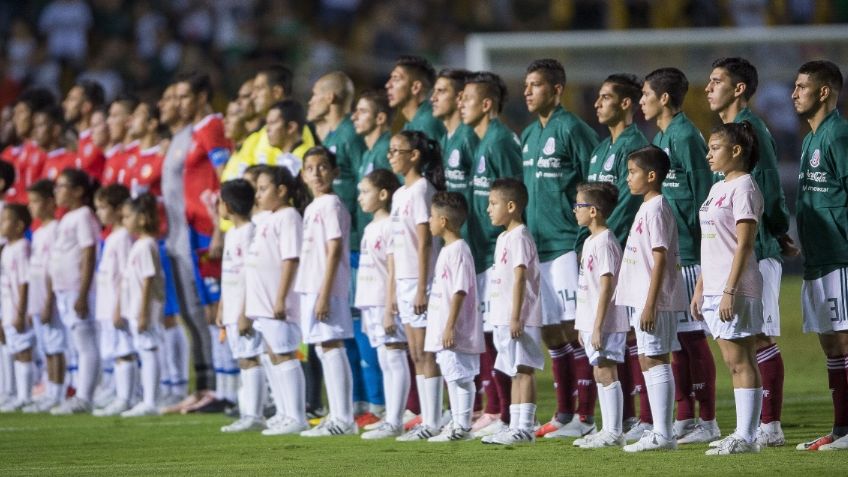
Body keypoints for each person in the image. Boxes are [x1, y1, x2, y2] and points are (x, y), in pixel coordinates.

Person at [704, 57, 796, 447]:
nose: (708, 87)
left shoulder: (752, 130)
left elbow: (769, 185)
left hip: (753, 250)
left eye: (716, 81)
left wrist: (776, 229)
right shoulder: (726, 137)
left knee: (758, 337)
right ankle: (758, 425)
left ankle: (768, 425)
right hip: (730, 255)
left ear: (739, 88)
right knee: (746, 339)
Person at [520, 59, 601, 439]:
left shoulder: (572, 129)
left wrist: (592, 234)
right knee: (552, 331)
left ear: (556, 89)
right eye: (526, 85)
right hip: (538, 247)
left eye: (535, 85)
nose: (527, 91)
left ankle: (585, 417)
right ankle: (565, 413)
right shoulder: (528, 135)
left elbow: (596, 180)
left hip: (568, 244)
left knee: (574, 329)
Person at [639, 67, 715, 443]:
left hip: (691, 253)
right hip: (672, 254)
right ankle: (686, 416)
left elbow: (706, 197)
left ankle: (709, 420)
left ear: (664, 98)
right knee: (678, 339)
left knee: (693, 337)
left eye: (646, 94)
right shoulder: (663, 136)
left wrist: (706, 257)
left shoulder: (685, 136)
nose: (641, 101)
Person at [308, 71, 380, 425]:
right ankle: (353, 402)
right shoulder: (335, 136)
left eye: (315, 95)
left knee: (356, 325)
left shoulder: (349, 135)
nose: (310, 101)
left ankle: (372, 402)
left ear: (332, 98)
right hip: (343, 243)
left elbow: (357, 187)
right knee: (345, 328)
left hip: (350, 243)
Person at [690, 122, 764, 455]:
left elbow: (744, 245)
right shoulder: (718, 187)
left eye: (714, 148)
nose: (708, 154)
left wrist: (730, 291)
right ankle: (743, 433)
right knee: (734, 361)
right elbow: (712, 243)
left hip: (734, 288)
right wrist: (700, 288)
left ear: (736, 151)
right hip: (715, 287)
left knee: (740, 360)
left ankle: (747, 436)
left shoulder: (744, 187)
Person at [584, 73, 650, 433]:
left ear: (626, 103)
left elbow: (625, 204)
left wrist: (607, 238)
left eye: (605, 97)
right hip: (605, 251)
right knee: (616, 336)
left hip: (623, 251)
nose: (597, 103)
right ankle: (625, 417)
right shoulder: (600, 148)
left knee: (632, 335)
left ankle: (646, 417)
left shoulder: (634, 145)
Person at [460, 71, 522, 438]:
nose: (460, 104)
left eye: (467, 98)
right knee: (487, 333)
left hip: (497, 251)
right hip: (482, 250)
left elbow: (516, 197)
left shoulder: (499, 141)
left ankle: (508, 412)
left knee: (501, 335)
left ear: (486, 104)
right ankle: (496, 409)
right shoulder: (481, 142)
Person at [174, 71, 238, 413]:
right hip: (195, 228)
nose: (179, 103)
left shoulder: (213, 127)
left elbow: (223, 175)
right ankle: (221, 388)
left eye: (185, 97)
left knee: (219, 310)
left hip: (209, 229)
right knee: (212, 310)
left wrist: (219, 227)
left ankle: (230, 389)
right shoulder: (195, 131)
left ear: (200, 98)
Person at [793, 60, 848, 452]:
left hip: (841, 256)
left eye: (801, 87)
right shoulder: (812, 138)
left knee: (844, 342)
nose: (794, 93)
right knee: (831, 345)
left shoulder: (838, 136)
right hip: (818, 260)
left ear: (824, 91)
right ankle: (842, 429)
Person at [616, 146, 686, 452]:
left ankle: (664, 434)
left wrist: (650, 303)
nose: (628, 177)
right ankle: (659, 430)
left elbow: (660, 259)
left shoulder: (657, 207)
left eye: (633, 172)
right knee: (647, 358)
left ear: (652, 175)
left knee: (656, 358)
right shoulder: (646, 207)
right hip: (643, 298)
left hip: (653, 301)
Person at [387, 131, 444, 441]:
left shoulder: (422, 190)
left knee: (425, 352)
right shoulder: (399, 194)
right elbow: (398, 245)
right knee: (414, 352)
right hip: (405, 280)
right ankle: (426, 418)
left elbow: (424, 242)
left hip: (421, 280)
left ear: (414, 156)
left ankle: (433, 421)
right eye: (390, 151)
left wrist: (423, 286)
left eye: (398, 150)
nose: (392, 155)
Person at [296, 147, 357, 437]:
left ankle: (343, 418)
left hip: (326, 287)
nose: (316, 173)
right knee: (323, 347)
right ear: (303, 174)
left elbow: (334, 251)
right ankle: (337, 415)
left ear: (335, 172)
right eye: (310, 168)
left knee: (332, 346)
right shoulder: (312, 207)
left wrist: (324, 292)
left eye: (322, 167)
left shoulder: (332, 204)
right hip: (312, 286)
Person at [247, 166, 309, 436]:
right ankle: (285, 413)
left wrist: (281, 297)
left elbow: (290, 259)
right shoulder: (267, 219)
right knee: (273, 354)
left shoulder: (288, 217)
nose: (258, 194)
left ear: (282, 190)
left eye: (263, 188)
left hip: (277, 300)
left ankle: (297, 416)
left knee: (285, 353)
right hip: (263, 300)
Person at [481, 178, 543, 445]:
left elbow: (519, 278)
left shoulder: (520, 237)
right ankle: (515, 425)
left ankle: (525, 427)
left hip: (519, 316)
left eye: (493, 203)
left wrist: (516, 315)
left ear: (511, 205)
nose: (488, 209)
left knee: (524, 369)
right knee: (514, 369)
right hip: (503, 316)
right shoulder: (504, 237)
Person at [572, 182, 629, 448]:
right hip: (591, 321)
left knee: (607, 370)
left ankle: (613, 431)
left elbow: (607, 285)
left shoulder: (605, 241)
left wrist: (596, 326)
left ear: (593, 211)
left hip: (604, 321)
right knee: (599, 372)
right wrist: (582, 325)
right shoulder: (590, 240)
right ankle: (607, 429)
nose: (575, 210)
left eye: (579, 205)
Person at [425, 191, 482, 442]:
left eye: (432, 216)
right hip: (442, 326)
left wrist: (450, 326)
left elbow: (459, 290)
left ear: (443, 221)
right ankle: (459, 424)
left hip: (455, 328)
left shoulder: (458, 250)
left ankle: (463, 426)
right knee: (453, 374)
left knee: (461, 376)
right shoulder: (449, 249)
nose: (429, 221)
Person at [357, 169, 408, 440]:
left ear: (383, 194)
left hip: (383, 301)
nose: (360, 198)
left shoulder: (390, 226)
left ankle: (396, 420)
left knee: (394, 354)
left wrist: (390, 306)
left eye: (365, 192)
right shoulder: (369, 227)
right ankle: (390, 416)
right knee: (383, 358)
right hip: (369, 301)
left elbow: (393, 268)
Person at [48, 168, 100, 414]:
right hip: (64, 290)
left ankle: (85, 396)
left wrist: (82, 292)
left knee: (85, 342)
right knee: (75, 344)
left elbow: (89, 253)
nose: (56, 191)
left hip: (77, 289)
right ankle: (78, 390)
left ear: (78, 191)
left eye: (62, 186)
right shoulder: (67, 217)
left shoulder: (83, 215)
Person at [216, 178, 265, 433]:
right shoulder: (231, 233)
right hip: (232, 307)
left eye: (220, 201)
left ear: (229, 205)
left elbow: (250, 274)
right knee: (242, 360)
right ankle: (248, 413)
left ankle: (254, 415)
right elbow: (229, 274)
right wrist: (223, 307)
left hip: (245, 308)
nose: (218, 206)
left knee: (250, 358)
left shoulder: (249, 232)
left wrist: (246, 311)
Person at [118, 193, 166, 417]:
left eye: (128, 216)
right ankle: (145, 398)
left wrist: (144, 311)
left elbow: (148, 279)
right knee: (143, 350)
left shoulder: (147, 245)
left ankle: (150, 401)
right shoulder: (139, 244)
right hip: (137, 306)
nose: (124, 221)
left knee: (148, 350)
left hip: (144, 307)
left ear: (143, 218)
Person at [21, 180, 66, 412]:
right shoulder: (38, 232)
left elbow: (53, 268)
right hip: (37, 296)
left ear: (50, 203)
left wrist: (49, 300)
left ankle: (58, 391)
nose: (31, 207)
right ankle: (49, 389)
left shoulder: (55, 229)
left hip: (49, 297)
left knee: (56, 346)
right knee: (46, 345)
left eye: (35, 201)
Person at [91, 184, 133, 417]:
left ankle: (126, 397)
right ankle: (120, 394)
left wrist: (119, 306)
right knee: (116, 352)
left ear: (118, 209)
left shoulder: (123, 238)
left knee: (123, 351)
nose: (99, 213)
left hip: (117, 305)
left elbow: (125, 275)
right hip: (106, 305)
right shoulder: (112, 237)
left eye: (103, 208)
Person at [0, 204, 33, 412]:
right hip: (8, 308)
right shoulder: (7, 249)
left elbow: (24, 282)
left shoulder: (22, 248)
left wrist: (21, 312)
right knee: (13, 350)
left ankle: (25, 396)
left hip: (18, 309)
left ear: (19, 225)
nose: (1, 224)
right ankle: (13, 393)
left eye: (5, 220)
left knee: (23, 350)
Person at [431, 69, 478, 203]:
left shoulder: (470, 137)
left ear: (459, 97)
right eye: (434, 91)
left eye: (441, 91)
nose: (433, 98)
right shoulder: (445, 138)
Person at [386, 55, 446, 144]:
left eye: (396, 78)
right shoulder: (410, 125)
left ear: (415, 87)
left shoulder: (427, 123)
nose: (388, 85)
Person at [62, 79, 106, 180]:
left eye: (71, 99)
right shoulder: (76, 142)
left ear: (86, 106)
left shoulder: (100, 141)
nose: (64, 104)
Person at [103, 94, 140, 187]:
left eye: (114, 116)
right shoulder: (113, 156)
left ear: (129, 121)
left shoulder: (141, 153)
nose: (108, 121)